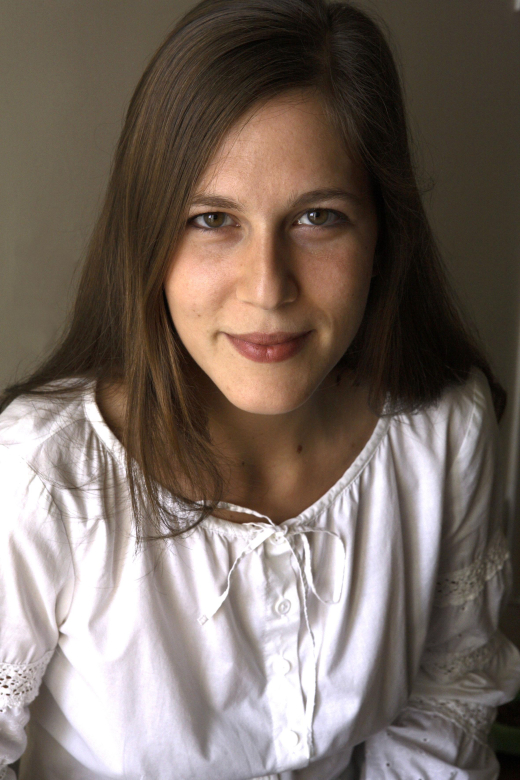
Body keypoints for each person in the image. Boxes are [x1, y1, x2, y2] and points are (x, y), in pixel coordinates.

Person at [1, 0, 519, 777]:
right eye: (213, 219)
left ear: (384, 233)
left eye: (318, 217)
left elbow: (445, 704)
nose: (268, 287)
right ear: (148, 239)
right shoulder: (43, 477)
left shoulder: (444, 431)